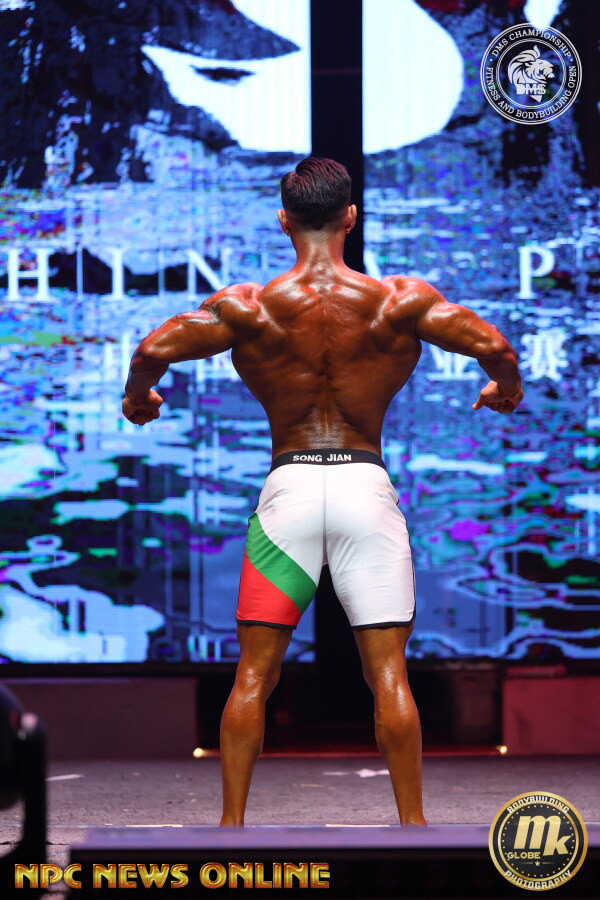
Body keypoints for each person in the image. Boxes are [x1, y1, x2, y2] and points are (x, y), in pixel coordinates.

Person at [122, 157, 523, 828]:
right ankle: (414, 831)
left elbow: (150, 352)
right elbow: (495, 346)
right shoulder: (399, 301)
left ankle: (230, 831)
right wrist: (504, 391)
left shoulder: (248, 307)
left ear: (284, 220)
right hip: (365, 489)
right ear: (351, 217)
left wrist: (140, 400)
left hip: (290, 494)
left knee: (254, 676)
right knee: (388, 675)